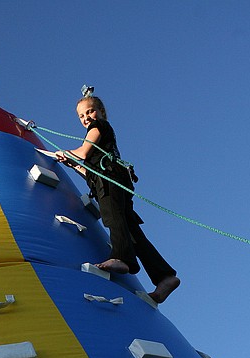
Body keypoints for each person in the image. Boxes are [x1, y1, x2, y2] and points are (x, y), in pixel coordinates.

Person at [56, 89, 181, 303]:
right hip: (110, 179)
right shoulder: (100, 139)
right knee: (131, 232)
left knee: (113, 217)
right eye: (82, 116)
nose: (87, 118)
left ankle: (122, 258)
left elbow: (84, 152)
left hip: (110, 179)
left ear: (101, 112)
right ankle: (164, 276)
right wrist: (73, 163)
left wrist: (67, 154)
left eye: (90, 111)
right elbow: (89, 170)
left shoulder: (99, 126)